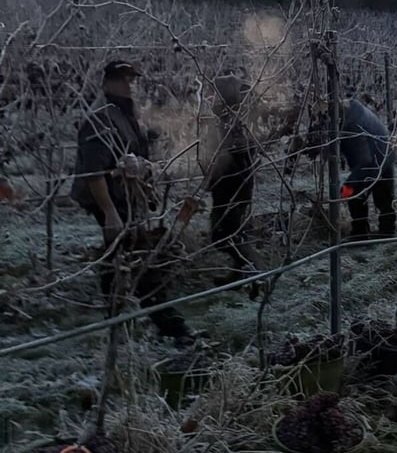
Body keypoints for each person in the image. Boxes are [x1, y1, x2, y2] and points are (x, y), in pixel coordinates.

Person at [70, 59, 193, 344]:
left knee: (121, 255)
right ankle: (170, 326)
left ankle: (117, 319)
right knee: (134, 257)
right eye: (123, 79)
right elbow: (93, 172)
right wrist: (110, 213)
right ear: (107, 84)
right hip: (110, 200)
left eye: (132, 79)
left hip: (127, 198)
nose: (129, 84)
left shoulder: (128, 116)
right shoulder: (100, 119)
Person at [203, 75, 259, 285]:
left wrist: (212, 173)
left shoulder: (230, 124)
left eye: (214, 95)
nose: (210, 99)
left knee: (224, 234)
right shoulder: (234, 120)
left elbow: (226, 158)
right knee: (234, 233)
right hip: (234, 188)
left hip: (231, 188)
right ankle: (243, 273)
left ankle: (255, 273)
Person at [340, 98, 396, 239]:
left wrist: (348, 185)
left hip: (375, 161)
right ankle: (386, 233)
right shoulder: (355, 110)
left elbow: (365, 161)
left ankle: (360, 234)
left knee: (355, 196)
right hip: (385, 155)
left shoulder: (352, 125)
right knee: (385, 201)